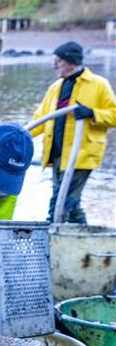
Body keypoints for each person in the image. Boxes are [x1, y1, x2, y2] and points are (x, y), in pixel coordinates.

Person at [30, 41, 116, 223]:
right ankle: (85, 235)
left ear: (71, 62)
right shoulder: (55, 88)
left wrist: (92, 113)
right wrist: (20, 135)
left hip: (81, 154)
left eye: (58, 61)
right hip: (57, 155)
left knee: (61, 201)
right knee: (70, 202)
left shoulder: (98, 84)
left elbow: (114, 114)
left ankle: (51, 233)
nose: (54, 66)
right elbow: (40, 119)